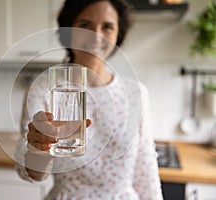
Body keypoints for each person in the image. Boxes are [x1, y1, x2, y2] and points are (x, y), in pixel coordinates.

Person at [15, 0, 163, 199]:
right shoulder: (43, 89)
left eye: (107, 26)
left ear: (118, 34)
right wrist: (39, 150)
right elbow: (30, 173)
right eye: (85, 25)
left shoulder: (135, 92)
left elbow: (146, 170)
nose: (96, 37)